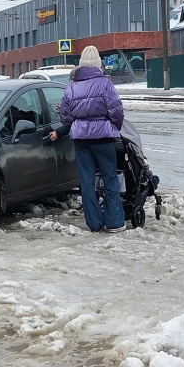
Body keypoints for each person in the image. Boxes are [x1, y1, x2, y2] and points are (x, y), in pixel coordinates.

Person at [49, 46, 125, 233]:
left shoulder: (72, 87)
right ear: (98, 63)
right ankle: (114, 222)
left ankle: (94, 223)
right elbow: (116, 111)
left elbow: (65, 116)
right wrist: (113, 127)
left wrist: (77, 124)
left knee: (87, 181)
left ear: (81, 64)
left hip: (81, 139)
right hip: (103, 138)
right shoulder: (105, 84)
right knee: (110, 178)